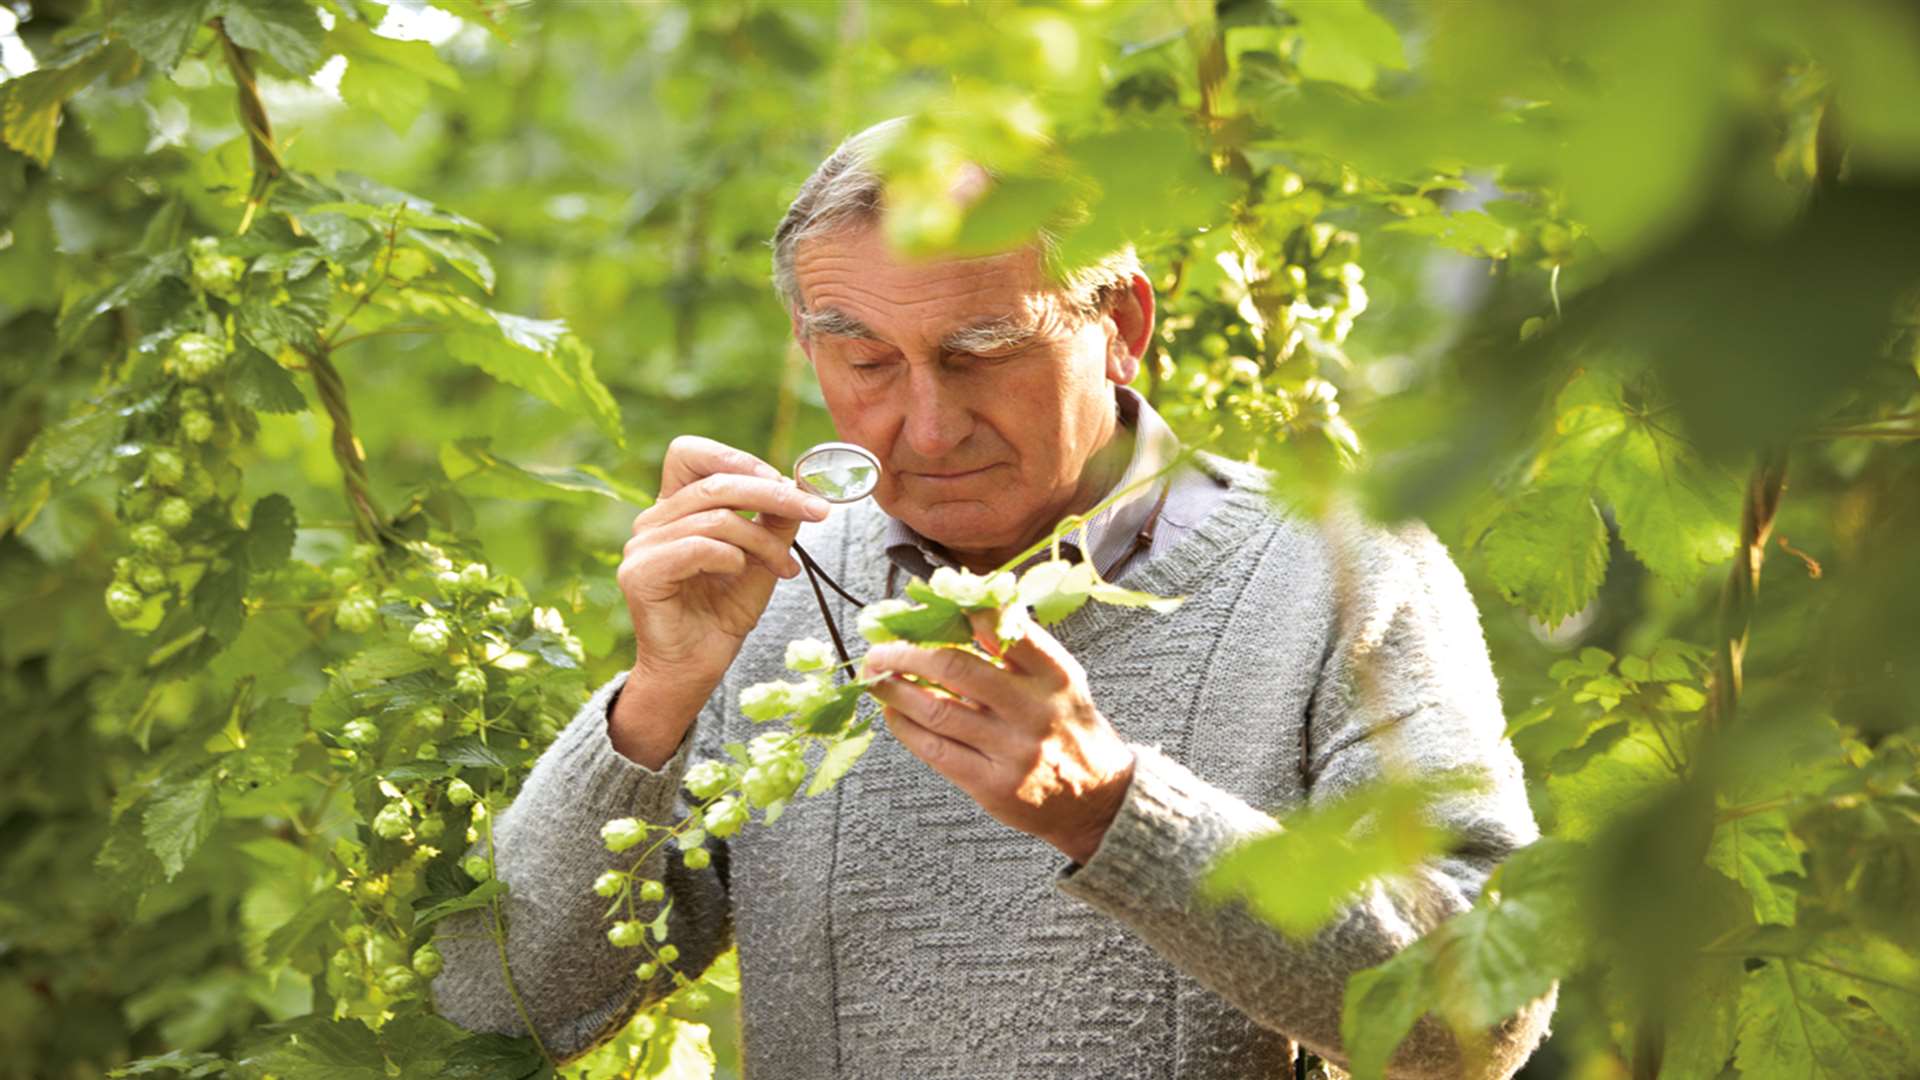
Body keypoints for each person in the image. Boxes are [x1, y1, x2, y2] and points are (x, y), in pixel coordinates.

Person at [435, 120, 1554, 1078]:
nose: (926, 427)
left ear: (1121, 324)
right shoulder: (770, 591)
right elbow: (488, 1019)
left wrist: (1116, 812)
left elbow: (1475, 1022)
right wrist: (658, 701)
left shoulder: (1336, 569)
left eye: (982, 350)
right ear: (806, 344)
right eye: (866, 361)